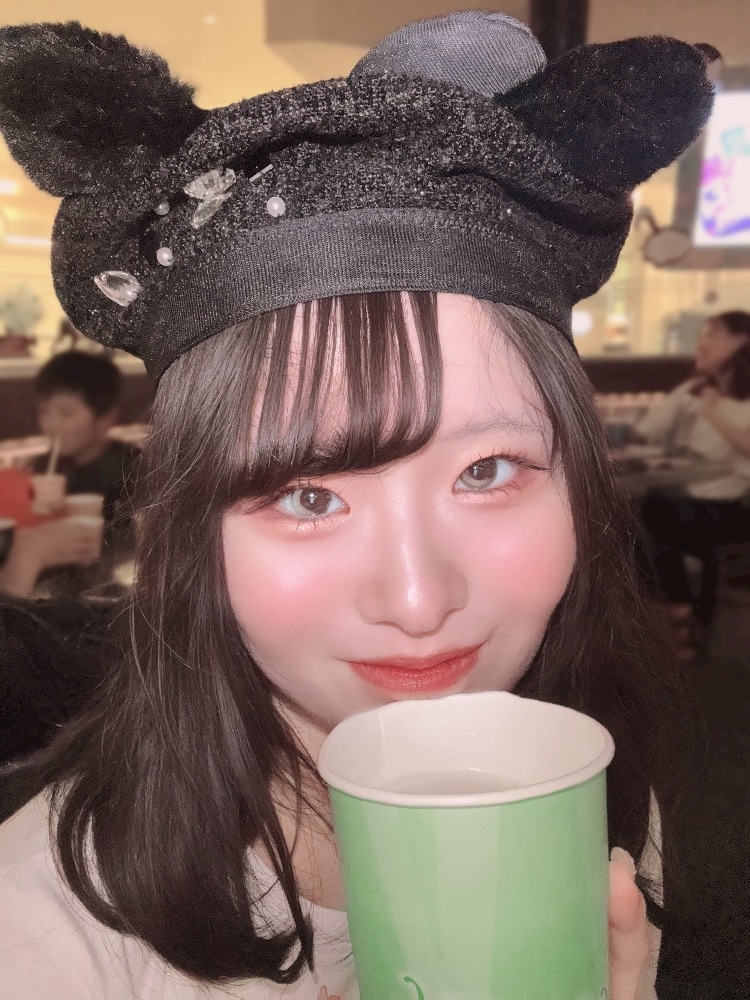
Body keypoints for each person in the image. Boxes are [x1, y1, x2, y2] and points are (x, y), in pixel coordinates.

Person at [0, 12, 734, 999]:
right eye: (308, 494)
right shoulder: (48, 934)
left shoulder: (598, 794)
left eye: (488, 471)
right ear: (187, 530)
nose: (420, 601)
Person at [637, 311, 750, 638]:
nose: (702, 343)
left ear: (741, 341)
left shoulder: (723, 402)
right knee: (634, 514)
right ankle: (678, 613)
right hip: (698, 497)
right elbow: (647, 430)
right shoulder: (696, 390)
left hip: (738, 509)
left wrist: (711, 411)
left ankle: (677, 613)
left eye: (712, 334)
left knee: (651, 512)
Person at [31, 350, 139, 523]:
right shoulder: (44, 466)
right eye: (44, 411)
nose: (51, 424)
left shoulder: (132, 469)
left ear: (106, 418)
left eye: (66, 413)